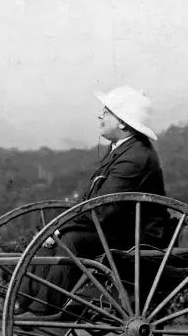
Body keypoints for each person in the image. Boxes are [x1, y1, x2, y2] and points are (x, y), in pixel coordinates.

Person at [18, 86, 169, 319]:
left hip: (135, 238)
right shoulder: (123, 150)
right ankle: (23, 304)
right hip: (115, 229)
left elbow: (102, 210)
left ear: (122, 122)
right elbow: (96, 202)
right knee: (53, 237)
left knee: (70, 239)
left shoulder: (135, 157)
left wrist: (60, 228)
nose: (101, 116)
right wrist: (56, 229)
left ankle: (44, 312)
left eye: (106, 112)